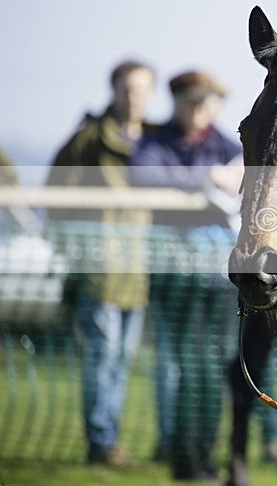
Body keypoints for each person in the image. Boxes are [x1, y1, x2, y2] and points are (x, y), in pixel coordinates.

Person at [129, 70, 243, 481]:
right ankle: (183, 457)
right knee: (186, 366)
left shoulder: (229, 144)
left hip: (218, 279)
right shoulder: (155, 143)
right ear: (176, 101)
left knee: (215, 368)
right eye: (194, 101)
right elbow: (140, 176)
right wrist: (207, 179)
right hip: (174, 276)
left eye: (209, 101)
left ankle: (205, 456)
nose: (202, 109)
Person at [46, 59, 157, 467]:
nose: (134, 97)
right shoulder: (89, 139)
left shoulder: (153, 142)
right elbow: (54, 196)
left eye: (142, 89)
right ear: (113, 90)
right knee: (102, 359)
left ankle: (108, 438)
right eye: (127, 88)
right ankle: (102, 442)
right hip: (99, 273)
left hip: (139, 273)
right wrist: (75, 251)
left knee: (123, 361)